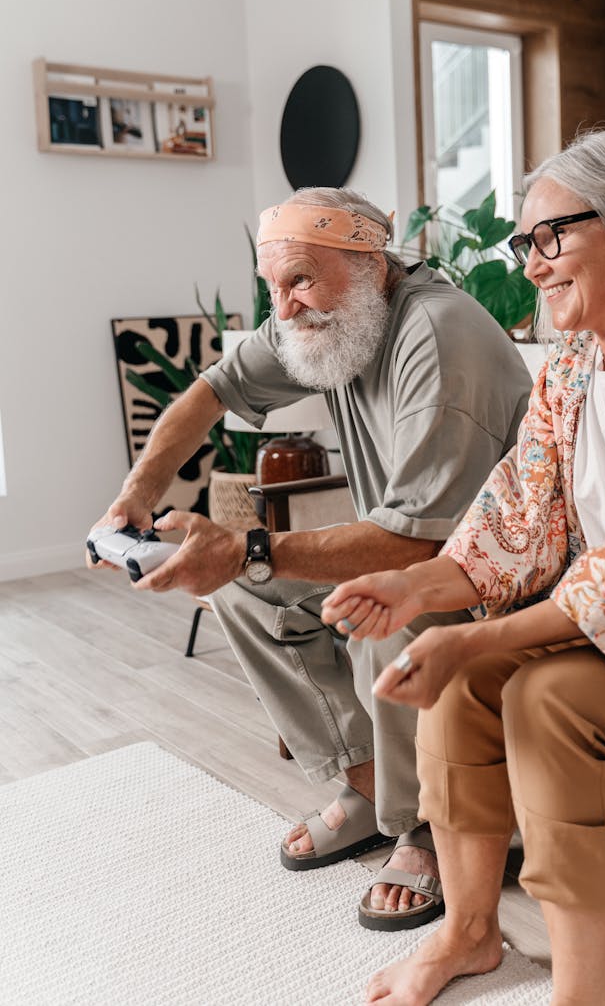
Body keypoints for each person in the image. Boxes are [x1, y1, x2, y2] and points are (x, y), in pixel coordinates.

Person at [321, 130, 605, 1004]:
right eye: (527, 245)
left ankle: (577, 993)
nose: (534, 264)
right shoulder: (573, 374)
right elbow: (507, 521)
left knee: (541, 695)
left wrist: (482, 642)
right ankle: (469, 931)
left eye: (551, 237)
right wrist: (410, 588)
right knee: (461, 679)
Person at [88, 186, 531, 930]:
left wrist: (249, 545)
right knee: (242, 588)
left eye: (300, 280)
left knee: (384, 601)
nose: (284, 307)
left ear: (367, 264)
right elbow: (213, 388)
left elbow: (420, 542)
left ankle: (422, 827)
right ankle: (366, 784)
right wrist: (137, 493)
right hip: (418, 548)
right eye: (273, 284)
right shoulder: (340, 321)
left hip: (496, 575)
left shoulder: (437, 333)